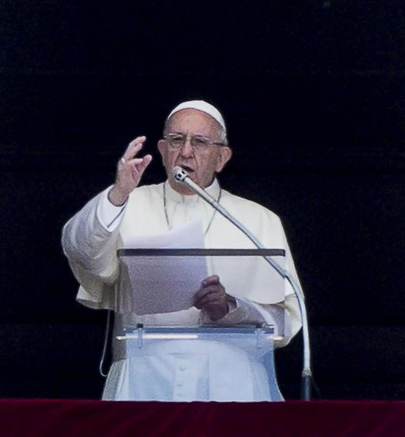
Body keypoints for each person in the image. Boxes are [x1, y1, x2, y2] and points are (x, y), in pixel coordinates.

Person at [62, 100, 302, 401]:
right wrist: (118, 194)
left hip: (233, 385)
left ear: (221, 157)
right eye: (176, 140)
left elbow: (288, 321)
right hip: (143, 380)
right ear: (162, 150)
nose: (185, 151)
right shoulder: (125, 203)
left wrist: (230, 308)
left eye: (200, 142)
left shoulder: (259, 219)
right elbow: (81, 251)